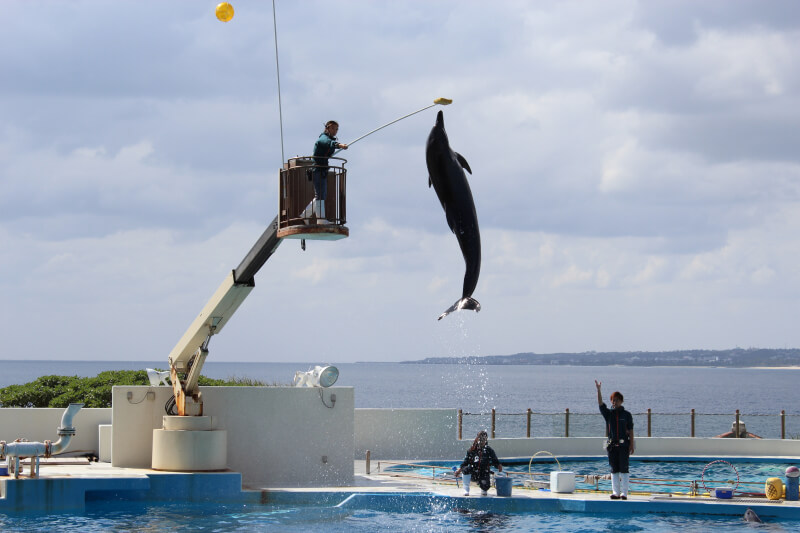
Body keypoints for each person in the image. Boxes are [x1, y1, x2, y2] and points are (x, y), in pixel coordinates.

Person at [595, 380, 635, 500]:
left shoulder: (627, 415)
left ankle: (624, 493)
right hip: (612, 446)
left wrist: (631, 444)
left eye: (617, 400)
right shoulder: (609, 414)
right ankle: (615, 492)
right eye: (613, 400)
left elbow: (631, 430)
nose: (614, 402)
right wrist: (598, 390)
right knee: (614, 469)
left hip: (623, 446)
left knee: (624, 469)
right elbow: (601, 403)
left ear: (621, 401)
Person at [306, 120, 347, 224]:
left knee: (321, 195)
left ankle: (305, 215)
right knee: (320, 195)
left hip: (322, 170)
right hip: (318, 170)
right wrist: (339, 145)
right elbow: (325, 143)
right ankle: (320, 219)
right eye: (333, 128)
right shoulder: (323, 138)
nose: (335, 131)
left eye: (337, 129)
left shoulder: (329, 139)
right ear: (327, 128)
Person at [454, 430, 503, 496]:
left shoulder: (489, 450)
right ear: (477, 439)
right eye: (480, 439)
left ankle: (484, 489)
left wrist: (498, 466)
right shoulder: (472, 450)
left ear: (486, 440)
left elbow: (495, 461)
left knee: (484, 491)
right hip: (473, 473)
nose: (482, 441)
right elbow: (465, 463)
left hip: (483, 473)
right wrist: (459, 471)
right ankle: (466, 489)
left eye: (484, 439)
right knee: (466, 469)